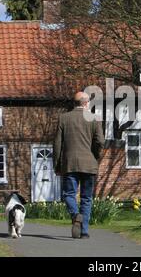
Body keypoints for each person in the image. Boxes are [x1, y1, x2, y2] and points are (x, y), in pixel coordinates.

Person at [53, 92, 105, 239]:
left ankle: (76, 215)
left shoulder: (64, 118)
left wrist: (57, 164)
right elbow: (100, 141)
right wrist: (95, 155)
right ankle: (84, 232)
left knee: (69, 194)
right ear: (86, 103)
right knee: (86, 198)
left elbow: (57, 144)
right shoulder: (95, 118)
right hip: (89, 164)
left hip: (70, 164)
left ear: (74, 103)